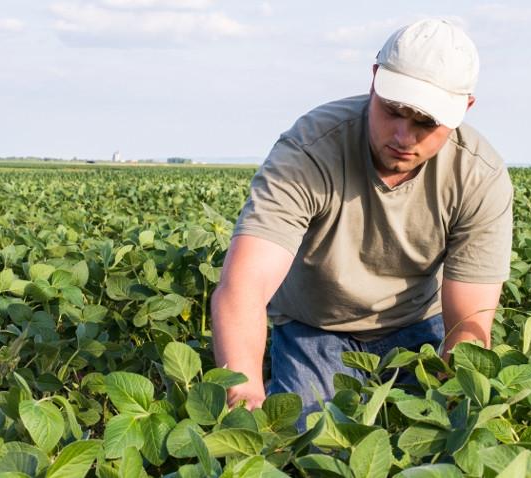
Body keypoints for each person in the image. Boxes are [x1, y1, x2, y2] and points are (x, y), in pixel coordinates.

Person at [211, 19, 513, 424]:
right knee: (312, 443)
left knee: (436, 443)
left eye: (425, 122)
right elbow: (243, 287)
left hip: (416, 325)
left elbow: (469, 320)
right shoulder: (310, 149)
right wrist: (243, 391)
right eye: (393, 111)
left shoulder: (479, 174)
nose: (404, 136)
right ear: (374, 81)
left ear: (465, 109)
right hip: (316, 326)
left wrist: (454, 389)